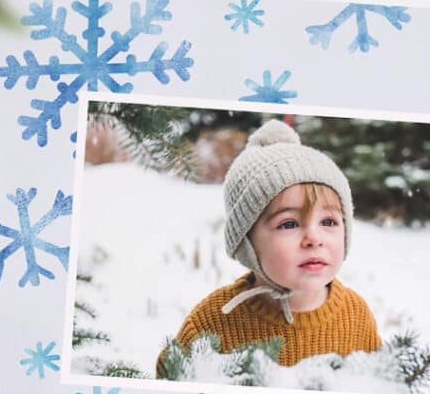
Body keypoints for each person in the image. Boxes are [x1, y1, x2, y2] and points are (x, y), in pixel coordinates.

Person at [159, 119, 381, 374]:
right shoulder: (214, 322)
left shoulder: (355, 317)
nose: (314, 238)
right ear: (247, 241)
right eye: (288, 224)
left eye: (328, 221)